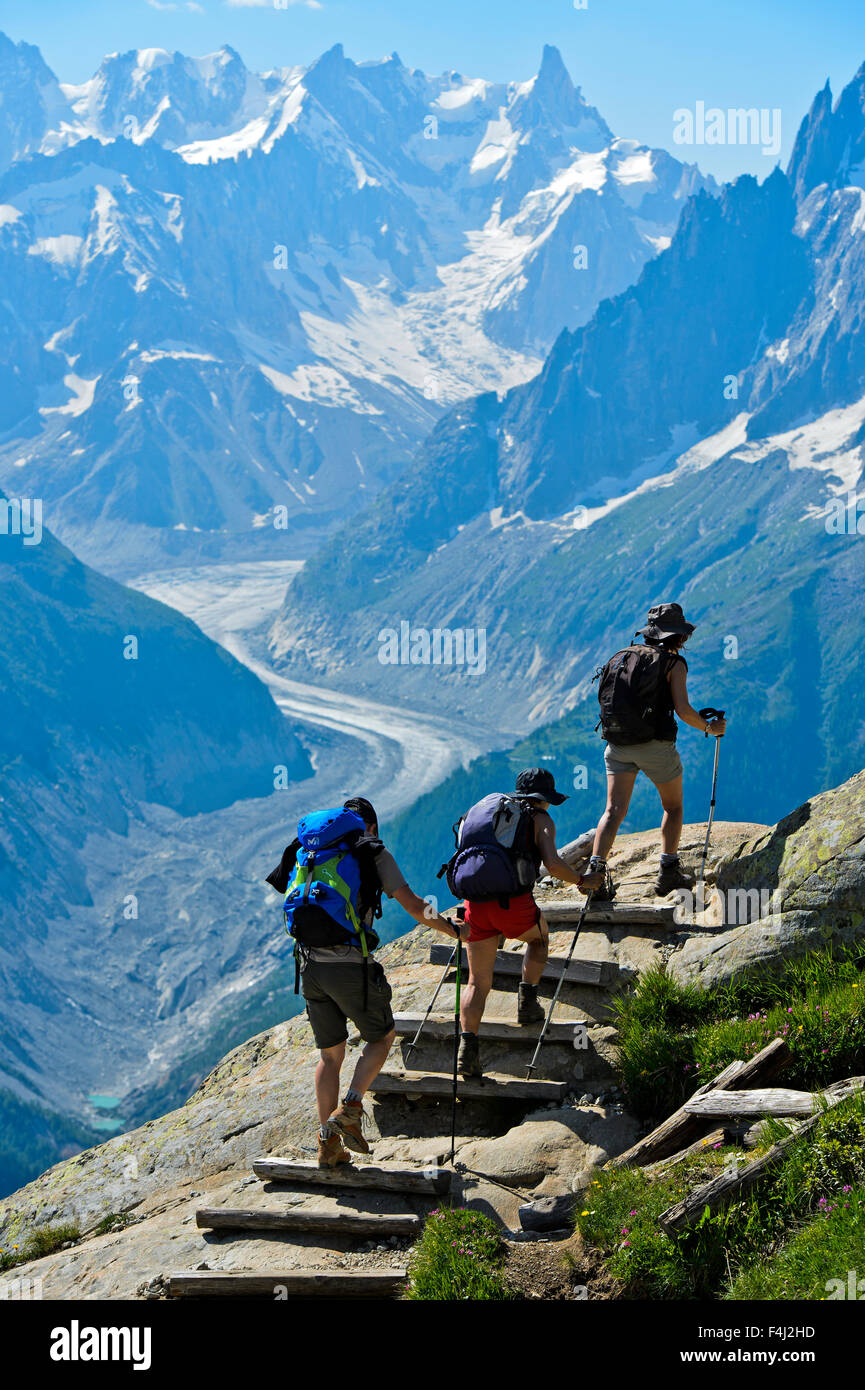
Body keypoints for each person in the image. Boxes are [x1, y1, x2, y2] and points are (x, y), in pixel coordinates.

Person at [268, 796, 462, 1167]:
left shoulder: (308, 850)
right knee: (381, 1036)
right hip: (348, 965)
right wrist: (452, 928)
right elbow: (413, 904)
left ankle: (328, 1143)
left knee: (330, 1055)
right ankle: (352, 1107)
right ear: (369, 826)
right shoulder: (371, 850)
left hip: (308, 964)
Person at [580, 603, 727, 899]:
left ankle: (595, 873)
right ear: (679, 636)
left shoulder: (624, 656)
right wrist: (710, 728)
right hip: (654, 746)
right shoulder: (674, 664)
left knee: (613, 810)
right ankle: (668, 872)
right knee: (672, 807)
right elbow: (684, 710)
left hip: (617, 745)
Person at [454, 768, 585, 1078]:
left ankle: (467, 1049)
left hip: (475, 904)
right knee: (539, 939)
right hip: (512, 904)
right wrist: (581, 880)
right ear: (545, 798)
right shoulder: (540, 820)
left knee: (476, 981)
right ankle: (527, 1001)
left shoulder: (487, 814)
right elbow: (552, 864)